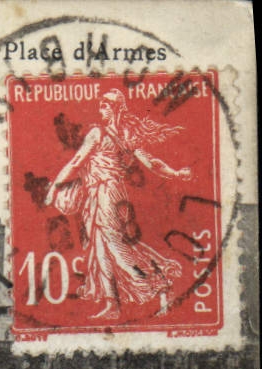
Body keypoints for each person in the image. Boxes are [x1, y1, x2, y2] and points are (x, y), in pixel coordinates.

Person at [44, 88, 192, 320]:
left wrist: (55, 187)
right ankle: (112, 304)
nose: (101, 108)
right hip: (96, 195)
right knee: (100, 248)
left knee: (114, 245)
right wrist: (176, 173)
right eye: (101, 104)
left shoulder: (105, 134)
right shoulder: (113, 134)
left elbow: (149, 162)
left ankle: (160, 284)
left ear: (115, 109)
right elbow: (77, 162)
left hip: (108, 193)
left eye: (106, 105)